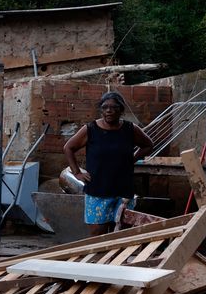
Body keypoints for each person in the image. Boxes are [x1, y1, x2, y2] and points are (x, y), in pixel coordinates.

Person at [63, 91, 153, 236]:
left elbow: (148, 145)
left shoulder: (130, 129)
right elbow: (68, 148)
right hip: (98, 191)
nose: (108, 111)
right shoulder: (91, 129)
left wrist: (133, 159)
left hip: (123, 191)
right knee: (98, 235)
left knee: (121, 233)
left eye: (113, 107)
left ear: (121, 110)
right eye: (104, 107)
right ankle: (99, 259)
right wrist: (77, 172)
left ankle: (116, 259)